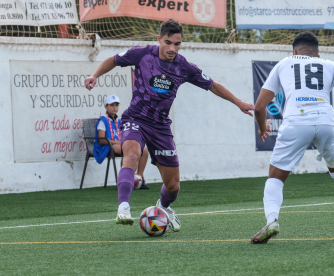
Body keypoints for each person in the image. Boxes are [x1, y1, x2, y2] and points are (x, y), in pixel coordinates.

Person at [85, 19, 254, 230]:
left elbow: (213, 85)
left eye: (177, 44)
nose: (172, 48)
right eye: (168, 43)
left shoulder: (183, 66)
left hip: (161, 127)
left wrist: (238, 102)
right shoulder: (142, 54)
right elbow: (114, 60)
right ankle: (123, 207)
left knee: (173, 187)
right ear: (159, 39)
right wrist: (94, 75)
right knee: (131, 154)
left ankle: (163, 206)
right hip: (135, 119)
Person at [251, 31, 334, 244]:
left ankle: (272, 220)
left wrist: (260, 128)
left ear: (295, 51)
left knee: (275, 177)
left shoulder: (284, 63)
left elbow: (259, 107)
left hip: (296, 121)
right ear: (317, 54)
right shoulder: (330, 64)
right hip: (325, 121)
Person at [93, 94, 150, 190]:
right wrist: (117, 142)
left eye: (116, 105)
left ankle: (139, 180)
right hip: (107, 146)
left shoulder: (119, 121)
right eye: (111, 105)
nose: (114, 107)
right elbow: (102, 140)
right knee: (127, 151)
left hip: (119, 144)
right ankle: (125, 181)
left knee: (144, 150)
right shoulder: (103, 120)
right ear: (106, 106)